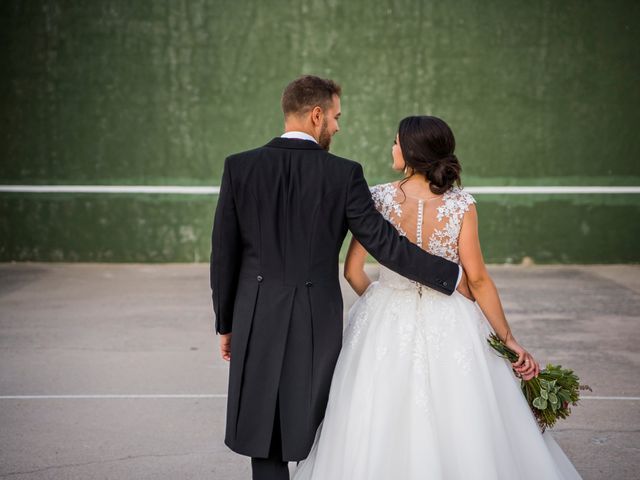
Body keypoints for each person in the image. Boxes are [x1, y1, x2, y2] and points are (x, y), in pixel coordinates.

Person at [292, 116, 583, 479]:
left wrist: (382, 302)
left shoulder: (378, 198)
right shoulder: (461, 205)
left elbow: (352, 271)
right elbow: (477, 279)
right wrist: (509, 340)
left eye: (396, 142)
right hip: (452, 316)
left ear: (412, 151)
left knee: (373, 412)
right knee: (463, 411)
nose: (392, 148)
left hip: (386, 314)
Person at [209, 77, 472, 480]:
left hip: (255, 313)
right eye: (335, 117)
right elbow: (386, 244)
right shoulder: (343, 174)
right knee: (317, 424)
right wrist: (450, 275)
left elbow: (224, 254)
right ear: (316, 115)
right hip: (317, 316)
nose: (337, 126)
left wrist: (227, 322)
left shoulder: (239, 166)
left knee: (265, 428)